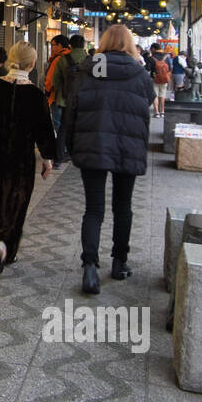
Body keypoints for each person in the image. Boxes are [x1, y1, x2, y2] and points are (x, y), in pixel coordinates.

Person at [63, 24, 153, 295]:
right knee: (123, 206)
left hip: (92, 145)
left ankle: (90, 267)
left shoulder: (88, 69)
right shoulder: (139, 73)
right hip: (128, 145)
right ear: (129, 44)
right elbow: (147, 101)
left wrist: (69, 145)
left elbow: (72, 107)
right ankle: (119, 262)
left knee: (94, 209)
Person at [0, 41, 56, 276]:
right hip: (21, 159)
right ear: (31, 64)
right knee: (18, 203)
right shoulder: (36, 95)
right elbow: (45, 131)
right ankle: (8, 246)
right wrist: (48, 160)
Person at [49, 33, 87, 165]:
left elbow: (55, 80)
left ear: (70, 45)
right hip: (84, 101)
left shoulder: (63, 59)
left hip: (65, 100)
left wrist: (62, 93)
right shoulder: (91, 59)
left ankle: (58, 159)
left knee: (63, 129)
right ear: (84, 45)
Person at [148, 41, 171, 117]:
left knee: (155, 95)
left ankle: (157, 112)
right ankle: (163, 111)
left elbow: (148, 68)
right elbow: (170, 68)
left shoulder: (151, 58)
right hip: (164, 79)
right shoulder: (166, 57)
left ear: (153, 49)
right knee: (162, 94)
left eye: (151, 49)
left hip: (155, 79)